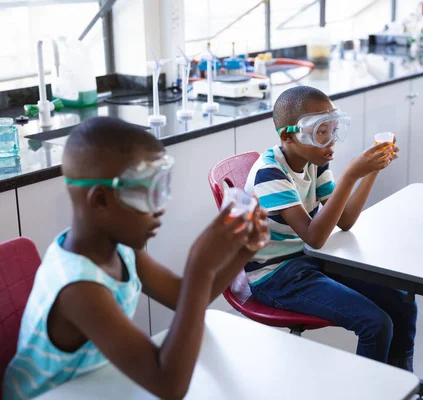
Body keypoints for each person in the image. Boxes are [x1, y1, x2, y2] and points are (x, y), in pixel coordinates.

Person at [3, 117, 269, 400]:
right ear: (101, 200)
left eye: (161, 188)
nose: (159, 208)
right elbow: (168, 386)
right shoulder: (79, 289)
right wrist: (199, 266)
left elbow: (187, 297)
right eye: (145, 193)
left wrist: (245, 250)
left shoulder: (119, 248)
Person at [245, 86, 417, 371]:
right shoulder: (270, 174)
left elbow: (345, 219)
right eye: (319, 133)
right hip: (276, 276)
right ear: (289, 136)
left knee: (401, 304)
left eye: (332, 130)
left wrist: (371, 170)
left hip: (311, 260)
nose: (330, 142)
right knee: (375, 323)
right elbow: (315, 236)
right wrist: (351, 175)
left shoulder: (315, 161)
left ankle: (399, 385)